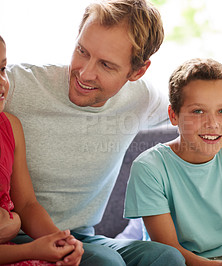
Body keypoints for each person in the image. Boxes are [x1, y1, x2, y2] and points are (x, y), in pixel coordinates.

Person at [4, 0, 185, 265]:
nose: (85, 73)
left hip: (85, 237)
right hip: (18, 235)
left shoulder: (141, 97)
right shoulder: (18, 86)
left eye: (106, 65)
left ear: (137, 71)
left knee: (166, 257)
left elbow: (192, 106)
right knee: (106, 263)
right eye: (82, 51)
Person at [124, 58, 222, 266]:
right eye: (198, 111)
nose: (212, 124)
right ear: (174, 115)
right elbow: (168, 247)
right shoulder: (148, 168)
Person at [0, 35, 83, 265]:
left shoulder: (11, 128)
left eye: (2, 68)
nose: (1, 81)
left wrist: (59, 240)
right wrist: (31, 250)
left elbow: (26, 204)